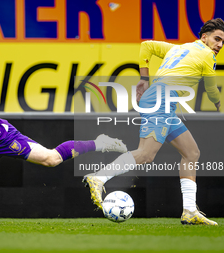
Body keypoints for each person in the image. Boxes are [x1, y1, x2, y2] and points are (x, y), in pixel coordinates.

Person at [83, 18, 224, 225]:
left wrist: (144, 78)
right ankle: (98, 178)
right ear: (204, 37)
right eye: (217, 39)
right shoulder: (207, 56)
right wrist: (219, 104)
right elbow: (212, 89)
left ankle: (190, 211)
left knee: (191, 152)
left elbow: (147, 46)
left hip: (161, 101)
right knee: (146, 154)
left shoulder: (178, 49)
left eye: (222, 42)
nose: (219, 45)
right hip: (161, 103)